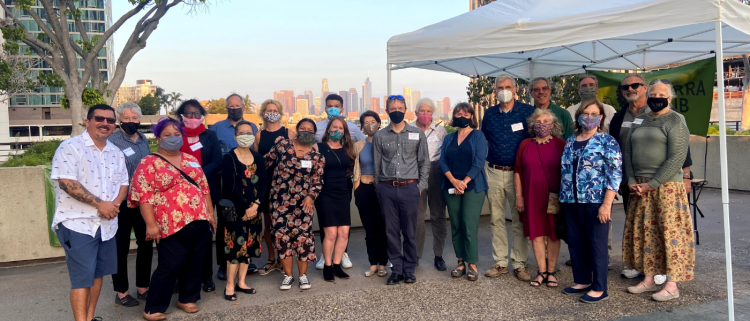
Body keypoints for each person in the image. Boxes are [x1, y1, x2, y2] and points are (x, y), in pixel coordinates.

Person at [129, 117, 217, 321]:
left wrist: (210, 214)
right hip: (169, 224)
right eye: (167, 135)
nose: (173, 138)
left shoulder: (191, 159)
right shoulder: (149, 162)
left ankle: (187, 298)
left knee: (196, 261)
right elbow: (144, 196)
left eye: (177, 134)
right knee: (170, 265)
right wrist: (150, 224)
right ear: (158, 138)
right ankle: (153, 307)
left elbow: (204, 189)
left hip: (200, 220)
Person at [609, 74, 693, 280]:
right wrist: (628, 179)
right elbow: (625, 150)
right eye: (626, 86)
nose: (657, 97)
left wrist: (683, 176)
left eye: (660, 94)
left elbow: (678, 155)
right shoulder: (631, 118)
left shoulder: (675, 119)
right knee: (643, 231)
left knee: (668, 231)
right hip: (637, 184)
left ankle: (669, 277)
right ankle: (645, 272)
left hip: (664, 185)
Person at [50, 104, 129, 321]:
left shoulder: (116, 153)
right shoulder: (70, 147)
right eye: (99, 119)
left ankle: (90, 317)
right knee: (81, 280)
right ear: (88, 121)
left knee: (97, 276)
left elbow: (123, 183)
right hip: (77, 224)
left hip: (107, 226)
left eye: (110, 121)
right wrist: (100, 204)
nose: (105, 124)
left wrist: (114, 205)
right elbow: (66, 182)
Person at [560, 100, 622, 303]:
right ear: (578, 115)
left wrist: (607, 204)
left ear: (601, 117)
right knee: (576, 243)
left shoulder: (607, 141)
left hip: (595, 200)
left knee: (597, 244)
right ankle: (583, 280)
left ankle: (600, 287)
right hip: (571, 200)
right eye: (585, 113)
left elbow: (614, 174)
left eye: (594, 113)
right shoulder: (570, 140)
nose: (589, 117)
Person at [480, 74, 535, 282]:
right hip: (493, 171)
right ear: (495, 91)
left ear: (515, 89)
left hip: (518, 175)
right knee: (496, 220)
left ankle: (520, 263)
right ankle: (501, 262)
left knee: (519, 219)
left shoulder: (528, 112)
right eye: (500, 87)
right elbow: (483, 139)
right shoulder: (490, 114)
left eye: (507, 87)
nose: (504, 90)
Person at [373, 95, 430, 285]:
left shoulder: (417, 134)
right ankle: (396, 269)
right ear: (387, 111)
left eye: (400, 107)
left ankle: (409, 268)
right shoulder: (380, 136)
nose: (396, 110)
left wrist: (420, 186)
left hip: (410, 188)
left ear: (405, 110)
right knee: (391, 231)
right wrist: (380, 188)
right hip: (387, 188)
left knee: (410, 231)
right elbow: (376, 166)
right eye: (393, 108)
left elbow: (424, 162)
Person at [564, 75, 618, 269]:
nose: (587, 88)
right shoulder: (570, 113)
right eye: (584, 86)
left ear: (597, 88)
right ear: (579, 90)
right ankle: (582, 262)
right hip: (575, 191)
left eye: (591, 85)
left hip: (598, 185)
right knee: (578, 230)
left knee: (601, 227)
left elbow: (613, 164)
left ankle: (604, 256)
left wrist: (609, 196)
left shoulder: (609, 112)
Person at [265, 118, 325, 290]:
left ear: (314, 133)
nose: (306, 132)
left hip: (303, 203)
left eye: (310, 130)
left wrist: (310, 197)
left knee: (302, 237)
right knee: (281, 236)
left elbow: (318, 181)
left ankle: (303, 276)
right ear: (297, 129)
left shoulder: (317, 157)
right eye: (303, 128)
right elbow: (265, 162)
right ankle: (288, 276)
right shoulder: (282, 145)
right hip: (279, 202)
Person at [514, 109, 566, 288]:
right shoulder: (525, 145)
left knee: (553, 234)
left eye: (545, 121)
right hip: (531, 197)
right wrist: (519, 197)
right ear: (532, 125)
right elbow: (518, 172)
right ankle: (541, 271)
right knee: (535, 234)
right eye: (538, 121)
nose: (542, 124)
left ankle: (551, 272)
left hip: (554, 198)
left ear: (553, 125)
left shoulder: (561, 144)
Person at [108, 102, 154, 307]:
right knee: (121, 247)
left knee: (145, 244)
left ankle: (143, 287)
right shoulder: (112, 140)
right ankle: (122, 292)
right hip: (122, 202)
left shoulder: (143, 138)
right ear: (119, 120)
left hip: (144, 201)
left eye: (135, 118)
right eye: (126, 118)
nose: (131, 122)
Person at [175, 99, 223, 292]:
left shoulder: (209, 135)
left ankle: (206, 277)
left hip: (206, 191)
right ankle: (181, 277)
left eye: (196, 114)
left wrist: (199, 175)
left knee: (204, 236)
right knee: (182, 236)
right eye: (188, 114)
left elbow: (218, 161)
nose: (192, 117)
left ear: (202, 116)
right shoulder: (176, 134)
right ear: (181, 116)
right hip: (180, 193)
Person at [314, 94, 364, 270]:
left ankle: (342, 254)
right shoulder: (317, 128)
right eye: (329, 105)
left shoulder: (351, 129)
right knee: (327, 226)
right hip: (324, 186)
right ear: (325, 107)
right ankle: (325, 257)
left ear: (342, 108)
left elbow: (361, 145)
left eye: (336, 106)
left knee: (342, 227)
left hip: (344, 184)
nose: (333, 108)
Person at [440, 103, 488, 281]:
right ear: (454, 116)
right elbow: (442, 161)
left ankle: (472, 263)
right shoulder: (449, 138)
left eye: (466, 113)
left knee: (469, 225)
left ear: (472, 117)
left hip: (473, 187)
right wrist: (453, 180)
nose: (462, 115)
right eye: (459, 113)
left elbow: (479, 161)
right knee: (456, 225)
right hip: (451, 186)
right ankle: (460, 261)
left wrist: (464, 182)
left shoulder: (478, 136)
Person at [221, 121, 267, 301]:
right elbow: (230, 188)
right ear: (235, 136)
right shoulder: (229, 158)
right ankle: (230, 285)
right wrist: (246, 209)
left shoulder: (259, 158)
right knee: (235, 249)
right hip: (237, 211)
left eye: (249, 132)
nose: (245, 135)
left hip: (255, 211)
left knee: (247, 247)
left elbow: (263, 184)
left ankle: (242, 282)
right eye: (241, 132)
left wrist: (256, 206)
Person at [253, 99, 296, 276]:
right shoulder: (258, 135)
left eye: (275, 110)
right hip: (266, 183)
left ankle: (285, 258)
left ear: (280, 112)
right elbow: (255, 159)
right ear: (263, 113)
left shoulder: (289, 133)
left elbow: (296, 158)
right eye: (268, 110)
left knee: (286, 224)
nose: (272, 112)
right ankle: (272, 258)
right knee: (269, 223)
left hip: (285, 185)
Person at [317, 117, 356, 281]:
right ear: (328, 129)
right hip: (325, 193)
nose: (337, 130)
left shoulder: (348, 149)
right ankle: (327, 266)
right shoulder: (319, 147)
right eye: (334, 127)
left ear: (344, 131)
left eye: (341, 128)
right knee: (331, 233)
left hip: (342, 192)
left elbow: (353, 167)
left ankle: (337, 264)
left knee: (344, 233)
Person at [412, 98, 449, 271]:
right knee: (417, 218)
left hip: (436, 172)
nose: (425, 114)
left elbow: (447, 153)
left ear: (433, 113)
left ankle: (439, 255)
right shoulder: (409, 129)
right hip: (415, 173)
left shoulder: (441, 131)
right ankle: (415, 256)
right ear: (415, 112)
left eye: (428, 111)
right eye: (422, 110)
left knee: (438, 215)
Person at [353, 111, 389, 277]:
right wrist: (357, 188)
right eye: (366, 122)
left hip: (382, 189)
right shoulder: (358, 145)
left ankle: (383, 263)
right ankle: (373, 264)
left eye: (373, 121)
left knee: (383, 228)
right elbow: (355, 167)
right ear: (362, 126)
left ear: (379, 123)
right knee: (369, 229)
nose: (370, 125)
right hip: (364, 189)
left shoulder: (386, 142)